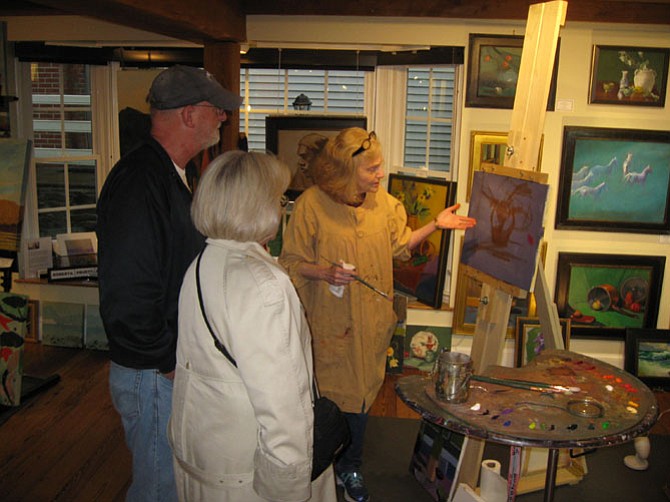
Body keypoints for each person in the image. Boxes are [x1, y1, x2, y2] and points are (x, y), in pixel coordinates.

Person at [279, 128, 476, 502]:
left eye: (379, 167)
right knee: (333, 400)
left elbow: (400, 245)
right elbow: (290, 263)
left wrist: (435, 224)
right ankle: (319, 467)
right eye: (372, 168)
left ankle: (350, 466)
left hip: (371, 325)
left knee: (364, 400)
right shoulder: (311, 205)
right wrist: (325, 272)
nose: (379, 174)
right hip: (329, 325)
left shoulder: (384, 204)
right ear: (345, 170)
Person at [96, 64, 242, 501]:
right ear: (190, 114)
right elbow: (127, 296)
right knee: (160, 489)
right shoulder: (141, 181)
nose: (223, 118)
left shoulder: (170, 174)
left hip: (159, 368)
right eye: (217, 110)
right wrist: (168, 362)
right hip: (151, 373)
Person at [168, 151, 337, 502]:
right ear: (259, 206)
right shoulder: (264, 286)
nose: (281, 207)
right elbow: (282, 404)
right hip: (247, 475)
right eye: (279, 198)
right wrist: (289, 490)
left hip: (207, 450)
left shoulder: (202, 262)